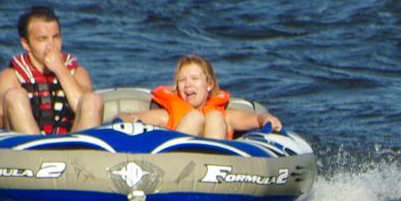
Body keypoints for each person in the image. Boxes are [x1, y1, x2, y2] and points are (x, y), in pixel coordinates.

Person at [0, 7, 104, 133]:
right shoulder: (10, 76)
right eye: (42, 39)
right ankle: (36, 151)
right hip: (28, 145)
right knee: (14, 96)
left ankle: (82, 152)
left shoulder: (77, 73)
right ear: (26, 44)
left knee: (93, 99)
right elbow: (2, 120)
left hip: (72, 145)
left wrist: (60, 69)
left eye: (56, 37)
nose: (51, 46)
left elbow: (86, 109)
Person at [118, 54, 282, 139]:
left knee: (215, 118)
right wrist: (129, 120)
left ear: (209, 84)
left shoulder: (227, 116)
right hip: (179, 170)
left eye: (195, 79)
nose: (188, 84)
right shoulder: (166, 115)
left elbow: (258, 119)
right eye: (182, 80)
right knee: (194, 118)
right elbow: (125, 117)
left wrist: (268, 119)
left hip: (219, 171)